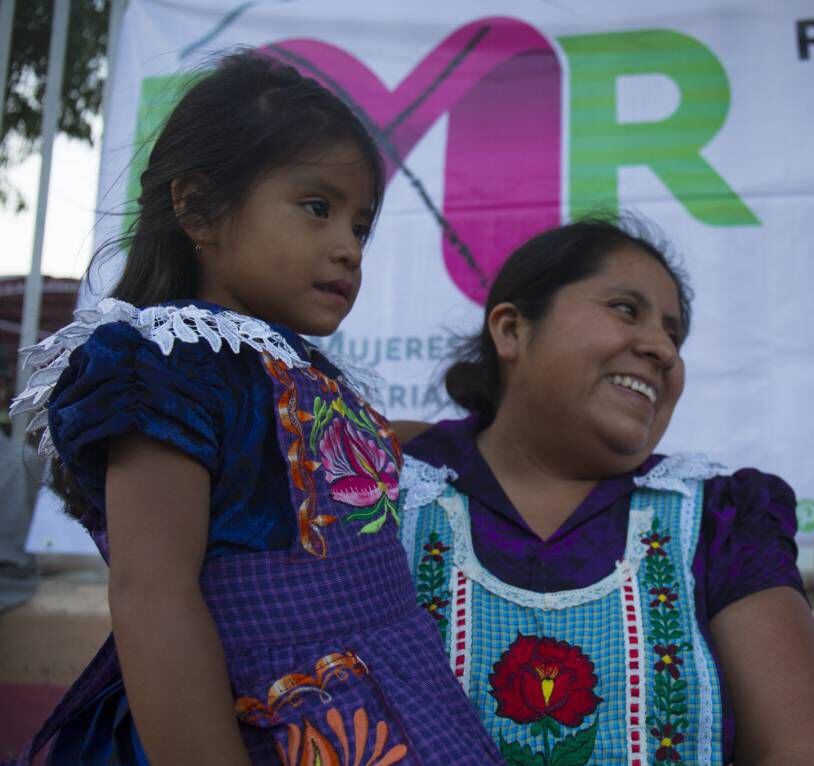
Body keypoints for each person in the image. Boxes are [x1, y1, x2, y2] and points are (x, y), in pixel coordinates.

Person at [8, 51, 502, 766]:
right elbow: (153, 594)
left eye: (360, 226)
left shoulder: (299, 375)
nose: (347, 247)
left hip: (393, 704)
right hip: (260, 723)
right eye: (317, 208)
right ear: (199, 209)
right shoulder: (163, 360)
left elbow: (320, 472)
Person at [395, 219, 814, 765]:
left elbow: (800, 752)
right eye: (626, 309)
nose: (662, 349)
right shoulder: (382, 490)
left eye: (674, 336)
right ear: (512, 330)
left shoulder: (720, 519)